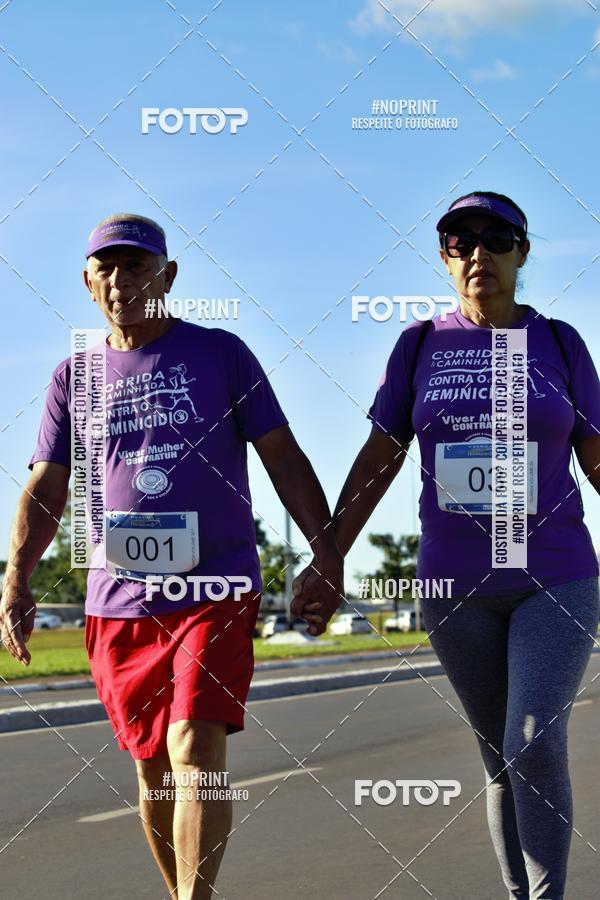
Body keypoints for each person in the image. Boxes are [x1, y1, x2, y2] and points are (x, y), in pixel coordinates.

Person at [0, 213, 342, 900]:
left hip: (213, 590)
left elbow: (283, 456)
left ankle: (196, 898)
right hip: (117, 599)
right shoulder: (75, 376)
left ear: (169, 276)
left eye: (136, 266)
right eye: (107, 269)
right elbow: (47, 484)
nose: (121, 281)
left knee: (194, 746)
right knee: (151, 768)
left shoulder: (220, 354)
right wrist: (17, 576)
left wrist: (326, 554)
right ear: (88, 282)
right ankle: (179, 892)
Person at [294, 192, 600, 899]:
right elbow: (379, 457)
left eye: (497, 238)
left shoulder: (558, 342)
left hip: (555, 573)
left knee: (532, 741)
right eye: (460, 241)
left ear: (523, 252)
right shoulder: (420, 345)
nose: (478, 252)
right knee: (500, 757)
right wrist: (330, 555)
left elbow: (596, 453)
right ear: (444, 257)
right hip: (454, 587)